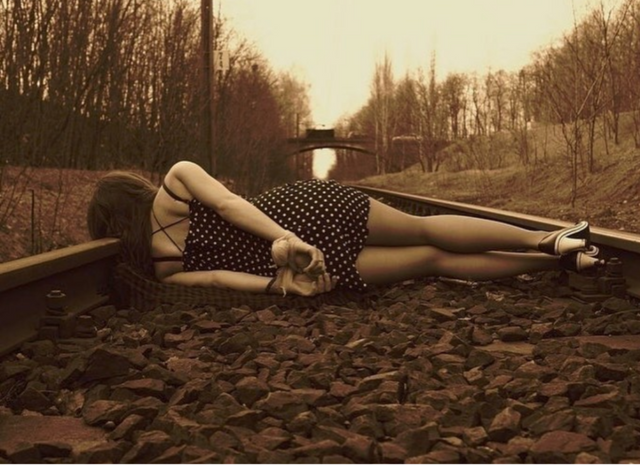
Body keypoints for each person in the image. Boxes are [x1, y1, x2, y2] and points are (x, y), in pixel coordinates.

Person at [87, 160, 602, 297]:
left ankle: (555, 264)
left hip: (308, 268)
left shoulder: (161, 266)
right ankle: (548, 241)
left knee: (431, 261)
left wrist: (278, 284)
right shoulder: (177, 179)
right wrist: (286, 237)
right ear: (134, 190)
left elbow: (221, 279)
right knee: (424, 230)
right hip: (303, 211)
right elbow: (229, 204)